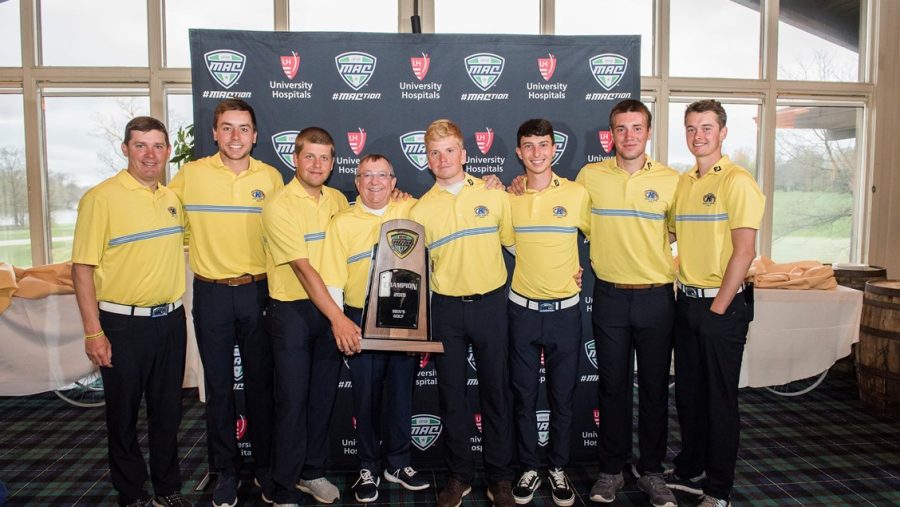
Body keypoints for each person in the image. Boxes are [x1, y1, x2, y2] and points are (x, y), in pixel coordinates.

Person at [168, 98, 283, 507]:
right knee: (217, 389)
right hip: (212, 293)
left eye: (244, 128)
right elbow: (163, 217)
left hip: (259, 292)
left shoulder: (271, 178)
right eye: (227, 128)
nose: (236, 136)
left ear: (256, 135)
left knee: (260, 387)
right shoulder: (190, 175)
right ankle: (225, 472)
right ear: (214, 133)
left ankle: (266, 470)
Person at [72, 116, 190, 507]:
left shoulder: (172, 199)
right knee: (122, 416)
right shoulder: (100, 198)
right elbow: (82, 269)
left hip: (171, 322)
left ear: (168, 151)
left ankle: (168, 489)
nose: (150, 154)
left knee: (168, 413)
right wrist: (93, 331)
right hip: (122, 325)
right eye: (141, 145)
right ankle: (131, 492)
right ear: (125, 148)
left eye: (158, 146)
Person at [408, 119, 516, 507]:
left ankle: (500, 477)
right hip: (447, 310)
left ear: (464, 154)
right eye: (435, 152)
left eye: (450, 150)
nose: (443, 158)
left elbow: (518, 246)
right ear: (427, 159)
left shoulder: (494, 194)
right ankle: (459, 475)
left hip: (491, 304)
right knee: (452, 396)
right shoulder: (420, 209)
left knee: (496, 393)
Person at [578, 99, 680, 507]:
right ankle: (610, 471)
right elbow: (562, 208)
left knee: (655, 389)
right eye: (621, 128)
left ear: (649, 132)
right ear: (611, 134)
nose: (629, 136)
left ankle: (652, 471)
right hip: (610, 297)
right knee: (612, 388)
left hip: (657, 298)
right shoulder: (590, 177)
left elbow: (679, 233)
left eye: (637, 128)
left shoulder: (672, 180)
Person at [667, 99, 764, 507]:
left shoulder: (737, 181)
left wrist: (717, 311)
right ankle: (691, 468)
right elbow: (667, 237)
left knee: (720, 401)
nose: (698, 136)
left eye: (706, 128)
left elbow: (744, 252)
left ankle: (719, 489)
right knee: (689, 395)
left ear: (723, 132)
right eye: (691, 128)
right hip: (686, 303)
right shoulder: (684, 182)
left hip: (721, 308)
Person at [318, 154, 430, 503]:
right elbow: (333, 281)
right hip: (358, 317)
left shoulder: (411, 211)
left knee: (401, 394)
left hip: (404, 318)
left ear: (394, 182)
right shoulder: (341, 222)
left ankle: (398, 462)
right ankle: (368, 465)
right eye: (367, 175)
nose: (375, 182)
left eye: (383, 175)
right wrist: (341, 322)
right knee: (364, 397)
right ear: (356, 181)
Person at [261, 127, 354, 506]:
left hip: (329, 309)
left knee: (321, 398)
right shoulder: (278, 205)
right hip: (293, 313)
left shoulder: (337, 200)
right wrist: (339, 319)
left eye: (325, 157)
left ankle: (311, 472)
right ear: (295, 159)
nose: (317, 164)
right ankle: (282, 484)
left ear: (333, 163)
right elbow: (303, 269)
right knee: (293, 401)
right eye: (310, 156)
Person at [506, 119, 590, 507]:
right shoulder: (511, 197)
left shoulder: (577, 194)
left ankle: (557, 468)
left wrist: (582, 268)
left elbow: (600, 238)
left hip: (565, 313)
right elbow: (509, 245)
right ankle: (527, 467)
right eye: (529, 146)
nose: (537, 153)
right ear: (519, 152)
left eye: (544, 145)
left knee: (563, 396)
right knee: (523, 396)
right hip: (521, 311)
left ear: (554, 148)